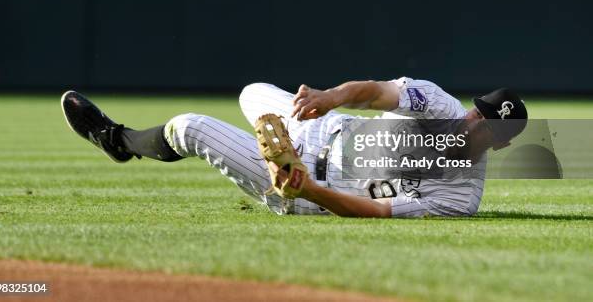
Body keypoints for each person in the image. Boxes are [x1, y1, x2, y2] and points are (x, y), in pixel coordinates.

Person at [60, 78, 527, 218]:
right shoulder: (440, 104)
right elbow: (373, 91)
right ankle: (303, 117)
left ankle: (115, 139)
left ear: (500, 145)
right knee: (249, 92)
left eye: (487, 125)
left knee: (192, 128)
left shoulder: (459, 197)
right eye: (478, 111)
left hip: (312, 181)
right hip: (324, 129)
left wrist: (306, 191)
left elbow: (375, 213)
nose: (473, 122)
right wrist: (327, 99)